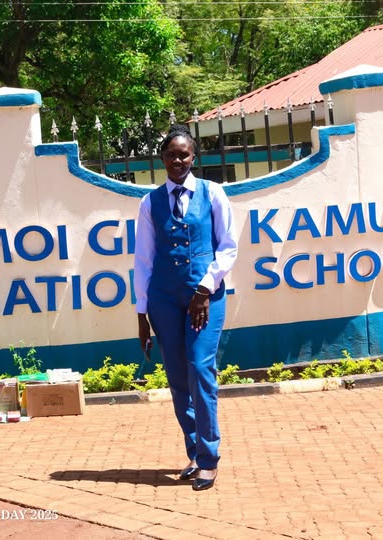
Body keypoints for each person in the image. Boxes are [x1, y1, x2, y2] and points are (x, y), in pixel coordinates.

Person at [133, 125, 239, 491]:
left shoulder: (212, 193)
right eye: (171, 155)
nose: (177, 160)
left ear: (194, 157)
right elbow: (143, 260)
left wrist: (205, 288)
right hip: (163, 299)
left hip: (204, 298)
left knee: (199, 368)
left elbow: (228, 246)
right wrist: (142, 314)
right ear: (162, 158)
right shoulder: (150, 203)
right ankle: (194, 452)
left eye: (184, 154)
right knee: (177, 377)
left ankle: (209, 458)